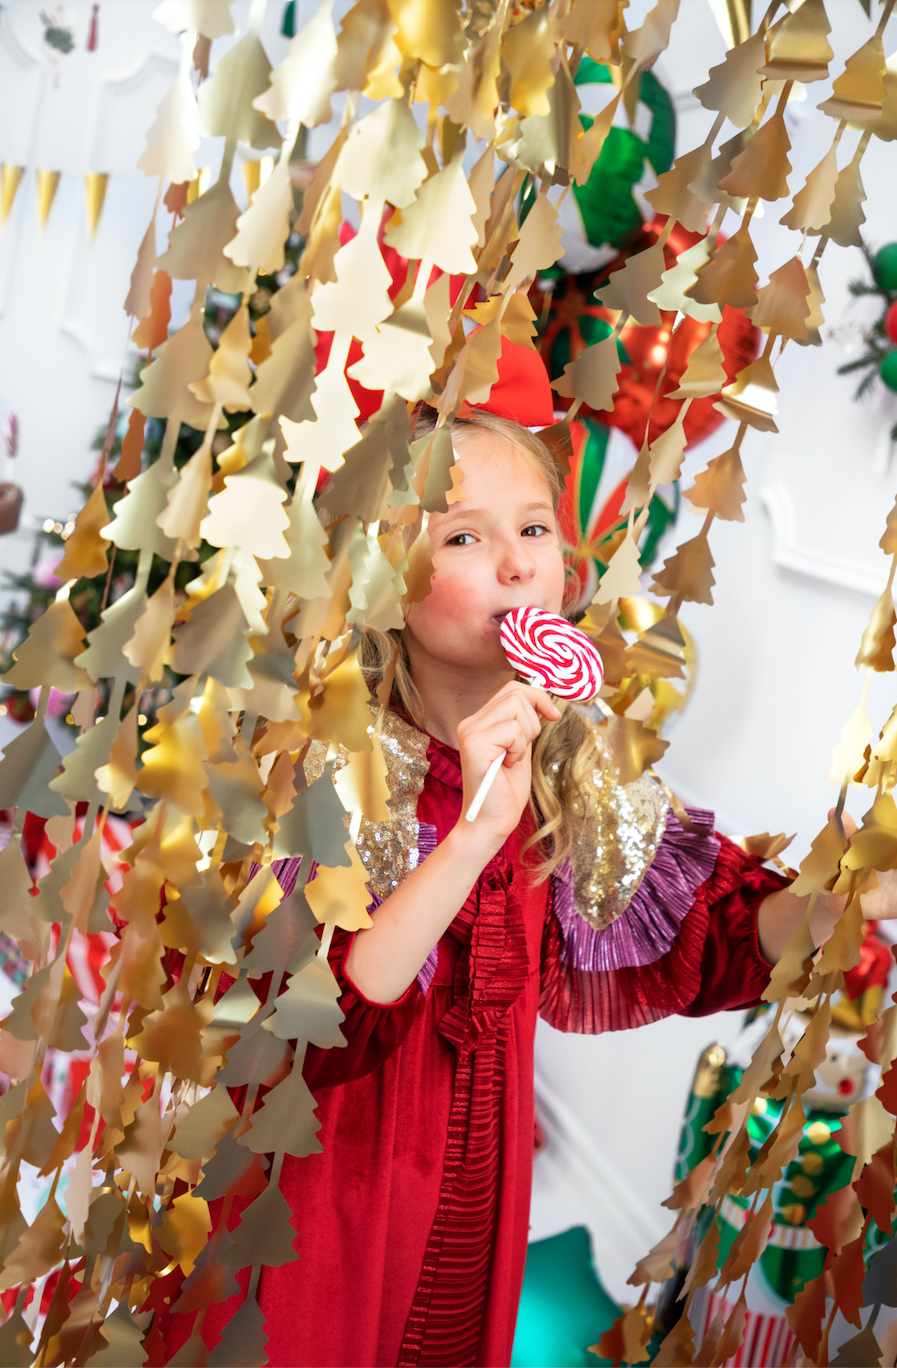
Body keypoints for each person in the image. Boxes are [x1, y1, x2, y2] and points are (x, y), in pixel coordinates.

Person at [162, 342, 896, 1368]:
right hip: (319, 1209)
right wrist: (471, 836)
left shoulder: (573, 768)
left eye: (535, 529)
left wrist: (854, 895)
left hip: (467, 1198)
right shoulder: (312, 770)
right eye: (463, 536)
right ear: (380, 582)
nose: (516, 564)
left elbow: (714, 932)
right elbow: (307, 1036)